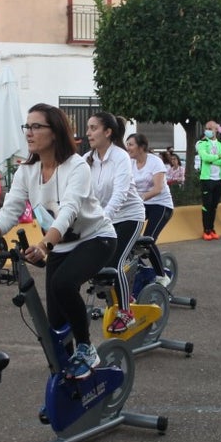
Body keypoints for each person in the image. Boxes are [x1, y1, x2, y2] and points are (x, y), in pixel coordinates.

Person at [0, 104, 116, 377]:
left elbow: (69, 211)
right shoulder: (27, 171)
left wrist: (43, 245)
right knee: (56, 321)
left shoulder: (76, 167)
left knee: (64, 285)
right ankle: (72, 377)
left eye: (37, 126)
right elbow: (7, 217)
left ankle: (87, 348)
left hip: (97, 238)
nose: (29, 132)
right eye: (27, 126)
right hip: (61, 245)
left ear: (55, 132)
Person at [84, 112, 146, 333]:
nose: (88, 132)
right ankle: (123, 293)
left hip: (129, 216)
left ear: (107, 132)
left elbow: (119, 195)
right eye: (88, 128)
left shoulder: (120, 157)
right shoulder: (87, 159)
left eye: (93, 128)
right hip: (104, 218)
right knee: (94, 262)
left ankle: (126, 313)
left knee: (114, 263)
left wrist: (100, 222)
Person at [126, 132, 174, 242]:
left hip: (161, 205)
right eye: (127, 144)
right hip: (141, 205)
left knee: (148, 240)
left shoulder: (155, 162)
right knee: (128, 234)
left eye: (131, 145)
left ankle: (159, 260)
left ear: (141, 147)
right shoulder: (129, 162)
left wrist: (138, 199)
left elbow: (158, 189)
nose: (127, 148)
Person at [196, 120, 221, 240]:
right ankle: (206, 230)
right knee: (207, 205)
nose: (208, 131)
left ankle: (212, 228)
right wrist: (217, 157)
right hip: (207, 179)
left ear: (216, 130)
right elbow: (204, 156)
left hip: (219, 179)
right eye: (207, 128)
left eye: (211, 129)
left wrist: (212, 160)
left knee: (214, 205)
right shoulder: (202, 143)